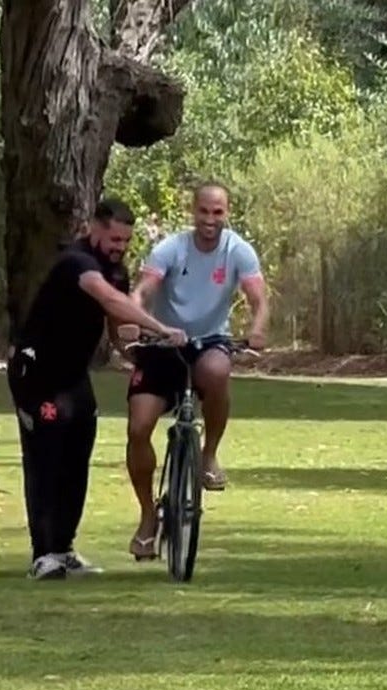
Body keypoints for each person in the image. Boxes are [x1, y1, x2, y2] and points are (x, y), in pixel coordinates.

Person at [7, 198, 186, 580]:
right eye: (114, 238)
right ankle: (43, 555)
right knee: (45, 459)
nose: (119, 246)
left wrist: (135, 354)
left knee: (76, 457)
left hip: (73, 377)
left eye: (125, 240)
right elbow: (107, 298)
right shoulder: (77, 262)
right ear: (95, 228)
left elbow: (113, 320)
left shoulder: (115, 272)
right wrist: (160, 327)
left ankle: (64, 549)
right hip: (37, 374)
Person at [124, 182, 269, 560]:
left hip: (209, 341)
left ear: (227, 212)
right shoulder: (171, 248)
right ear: (194, 211)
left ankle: (208, 455)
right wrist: (136, 316)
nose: (210, 219)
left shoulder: (238, 250)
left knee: (218, 370)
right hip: (164, 341)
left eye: (217, 212)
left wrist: (256, 329)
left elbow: (258, 298)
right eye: (204, 211)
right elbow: (144, 289)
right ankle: (146, 517)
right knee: (139, 428)